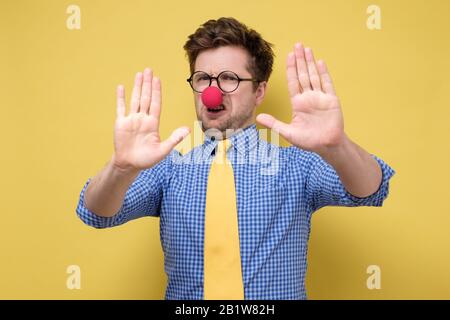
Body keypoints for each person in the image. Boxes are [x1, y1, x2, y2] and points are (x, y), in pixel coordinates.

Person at [76, 17, 395, 300]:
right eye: (202, 78)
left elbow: (370, 189)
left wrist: (337, 145)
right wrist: (120, 168)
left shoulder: (296, 165)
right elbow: (96, 213)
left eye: (229, 78)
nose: (212, 91)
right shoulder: (168, 169)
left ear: (259, 91)